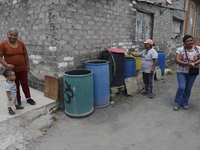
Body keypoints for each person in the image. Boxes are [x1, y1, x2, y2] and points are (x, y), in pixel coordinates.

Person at [0, 28, 36, 106]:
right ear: (7, 34)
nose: (13, 36)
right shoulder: (3, 44)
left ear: (17, 36)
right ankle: (18, 99)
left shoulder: (21, 43)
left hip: (22, 68)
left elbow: (25, 54)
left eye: (15, 35)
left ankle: (28, 98)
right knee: (15, 85)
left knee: (25, 83)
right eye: (11, 35)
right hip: (11, 71)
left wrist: (28, 65)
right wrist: (6, 65)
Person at [173, 35, 200, 111]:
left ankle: (184, 103)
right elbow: (177, 61)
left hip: (193, 72)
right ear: (184, 42)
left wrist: (194, 63)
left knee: (188, 88)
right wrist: (187, 64)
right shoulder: (180, 49)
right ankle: (177, 103)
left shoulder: (197, 49)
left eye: (191, 40)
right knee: (181, 87)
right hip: (181, 71)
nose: (190, 42)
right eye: (187, 41)